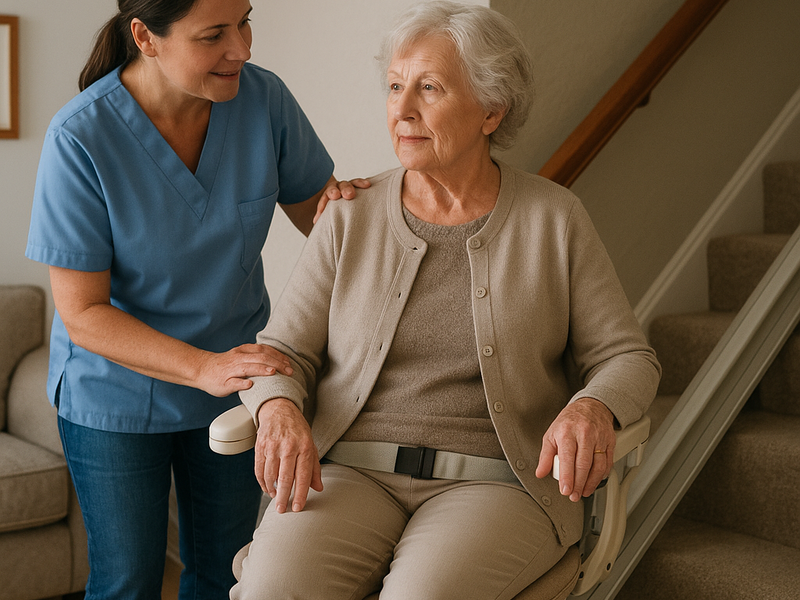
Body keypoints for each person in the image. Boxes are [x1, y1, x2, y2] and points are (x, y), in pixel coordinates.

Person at [231, 2, 661, 599]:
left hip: (497, 482)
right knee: (273, 591)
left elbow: (629, 357)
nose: (402, 110)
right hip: (350, 473)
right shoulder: (348, 217)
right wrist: (276, 407)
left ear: (492, 109)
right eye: (394, 87)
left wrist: (592, 406)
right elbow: (281, 351)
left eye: (428, 88)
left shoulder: (553, 219)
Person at [25, 0, 367, 598]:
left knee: (225, 573)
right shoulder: (81, 137)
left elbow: (325, 223)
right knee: (127, 582)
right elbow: (83, 313)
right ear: (146, 37)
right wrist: (202, 367)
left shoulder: (264, 102)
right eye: (214, 35)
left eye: (245, 21)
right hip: (116, 391)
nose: (243, 48)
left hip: (234, 385)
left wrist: (388, 200)